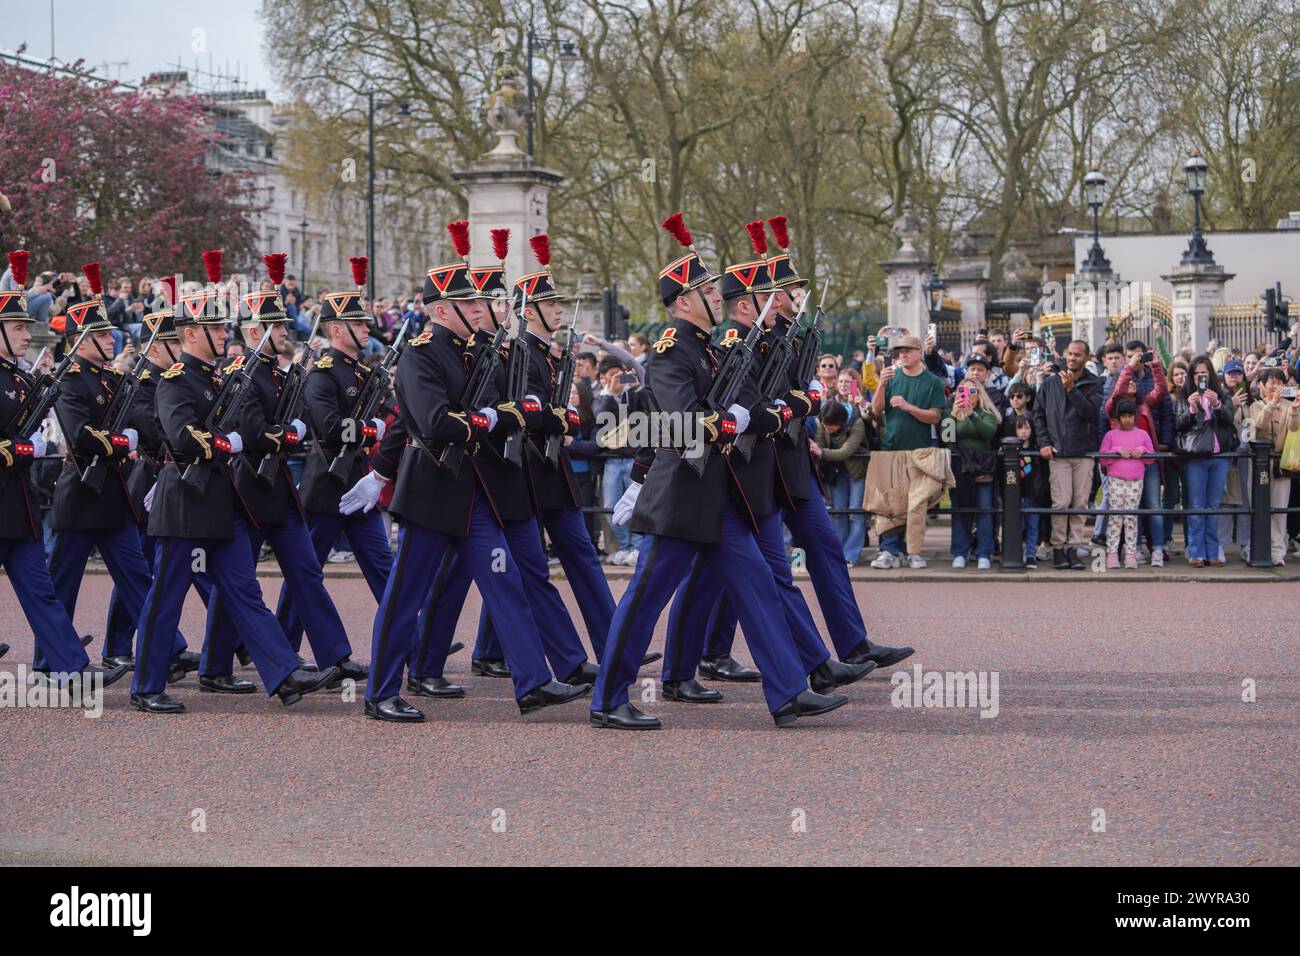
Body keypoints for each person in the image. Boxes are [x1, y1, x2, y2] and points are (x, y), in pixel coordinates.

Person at [595, 213, 854, 730]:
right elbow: (685, 422)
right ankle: (607, 697)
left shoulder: (712, 351)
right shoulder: (671, 353)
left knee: (759, 586)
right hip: (681, 498)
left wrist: (762, 414)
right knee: (644, 601)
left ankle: (788, 693)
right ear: (684, 301)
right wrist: (730, 422)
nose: (719, 298)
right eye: (709, 292)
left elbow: (741, 407)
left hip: (719, 496)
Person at [355, 224, 590, 723]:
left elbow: (521, 405)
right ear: (443, 310)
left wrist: (528, 408)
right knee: (405, 596)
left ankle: (533, 681)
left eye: (482, 303)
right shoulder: (420, 354)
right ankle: (380, 692)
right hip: (432, 492)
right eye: (471, 303)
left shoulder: (483, 351)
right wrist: (502, 415)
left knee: (506, 582)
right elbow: (437, 424)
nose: (483, 309)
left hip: (478, 495)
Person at [131, 250, 337, 713]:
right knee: (166, 595)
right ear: (190, 334)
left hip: (221, 503)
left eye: (224, 328)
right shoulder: (175, 380)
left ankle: (283, 673)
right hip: (185, 502)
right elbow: (184, 436)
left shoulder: (222, 379)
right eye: (216, 329)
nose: (226, 335)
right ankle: (146, 686)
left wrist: (237, 438)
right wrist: (232, 442)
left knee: (245, 591)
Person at [197, 255, 368, 692]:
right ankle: (216, 666)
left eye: (284, 326)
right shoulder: (242, 375)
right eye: (275, 328)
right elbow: (255, 431)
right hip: (248, 487)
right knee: (238, 581)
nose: (284, 333)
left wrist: (291, 430)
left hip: (278, 490)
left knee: (307, 570)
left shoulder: (279, 374)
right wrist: (290, 433)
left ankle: (335, 655)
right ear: (254, 332)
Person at [0, 250, 127, 691]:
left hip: (19, 506)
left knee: (44, 593)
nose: (25, 334)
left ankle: (71, 668)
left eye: (25, 327)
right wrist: (19, 446)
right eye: (17, 327)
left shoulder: (19, 378)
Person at [869, 335, 947, 568]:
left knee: (915, 505)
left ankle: (912, 551)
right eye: (899, 351)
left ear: (919, 352)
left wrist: (908, 407)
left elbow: (935, 416)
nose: (902, 354)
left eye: (907, 350)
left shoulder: (932, 382)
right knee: (887, 504)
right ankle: (889, 551)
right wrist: (881, 384)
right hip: (890, 449)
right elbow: (876, 410)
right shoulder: (890, 376)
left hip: (920, 453)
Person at [1031, 340, 1103, 570]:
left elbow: (1091, 414)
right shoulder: (1049, 384)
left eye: (1077, 355)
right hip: (1058, 453)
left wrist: (1072, 390)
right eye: (1069, 354)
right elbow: (1038, 415)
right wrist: (1043, 442)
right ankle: (1059, 549)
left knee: (1080, 503)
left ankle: (1074, 547)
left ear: (1086, 357)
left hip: (1083, 453)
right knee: (1061, 503)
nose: (1072, 358)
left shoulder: (1095, 384)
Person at [1101, 347, 1168, 566]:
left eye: (1133, 380)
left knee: (1153, 506)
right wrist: (1129, 367)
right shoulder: (1113, 406)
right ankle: (1132, 549)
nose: (1131, 383)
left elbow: (1161, 390)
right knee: (1126, 510)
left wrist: (1156, 366)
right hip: (1121, 466)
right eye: (1127, 381)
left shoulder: (1144, 404)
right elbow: (1119, 388)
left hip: (1146, 462)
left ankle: (1157, 547)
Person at [1172, 354, 1236, 567]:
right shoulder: (1183, 396)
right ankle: (1196, 552)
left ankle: (1212, 551)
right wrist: (1191, 409)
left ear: (1210, 374)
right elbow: (1178, 426)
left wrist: (1217, 404)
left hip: (1219, 456)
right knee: (1197, 505)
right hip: (1196, 456)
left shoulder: (1222, 393)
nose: (1201, 377)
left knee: (1213, 505)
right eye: (1197, 373)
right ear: (1192, 375)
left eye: (1205, 373)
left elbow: (1229, 419)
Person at [942, 374, 1000, 569]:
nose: (967, 395)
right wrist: (953, 414)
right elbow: (947, 439)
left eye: (972, 391)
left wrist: (972, 415)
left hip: (982, 466)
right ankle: (960, 551)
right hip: (960, 468)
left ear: (979, 393)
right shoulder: (953, 414)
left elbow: (988, 432)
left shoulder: (986, 413)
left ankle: (984, 552)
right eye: (963, 391)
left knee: (984, 510)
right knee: (960, 510)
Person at [1249, 366, 1300, 566]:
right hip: (1259, 463)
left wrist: (1294, 411)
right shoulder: (1256, 405)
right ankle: (1260, 549)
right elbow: (1258, 425)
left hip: (1281, 462)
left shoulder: (1289, 405)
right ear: (1261, 386)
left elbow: (1294, 428)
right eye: (1271, 382)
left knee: (1279, 508)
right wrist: (1271, 404)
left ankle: (1278, 552)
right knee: (1259, 507)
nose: (1276, 387)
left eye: (1280, 383)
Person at [1098, 398, 1155, 568]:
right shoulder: (1111, 435)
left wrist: (1142, 450)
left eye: (1130, 416)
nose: (1127, 420)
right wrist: (1115, 451)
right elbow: (1102, 458)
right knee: (1115, 516)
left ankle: (1130, 553)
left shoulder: (1142, 435)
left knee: (1131, 517)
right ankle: (1112, 553)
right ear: (1118, 418)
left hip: (1136, 480)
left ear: (1135, 417)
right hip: (1116, 479)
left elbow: (1151, 458)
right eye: (1123, 416)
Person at [814, 400, 868, 565]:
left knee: (856, 512)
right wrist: (819, 449)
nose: (827, 429)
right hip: (836, 472)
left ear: (841, 422)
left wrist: (821, 451)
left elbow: (846, 451)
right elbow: (819, 441)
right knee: (838, 512)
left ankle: (851, 554)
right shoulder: (824, 424)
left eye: (831, 426)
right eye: (825, 425)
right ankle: (839, 551)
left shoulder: (857, 423)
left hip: (856, 471)